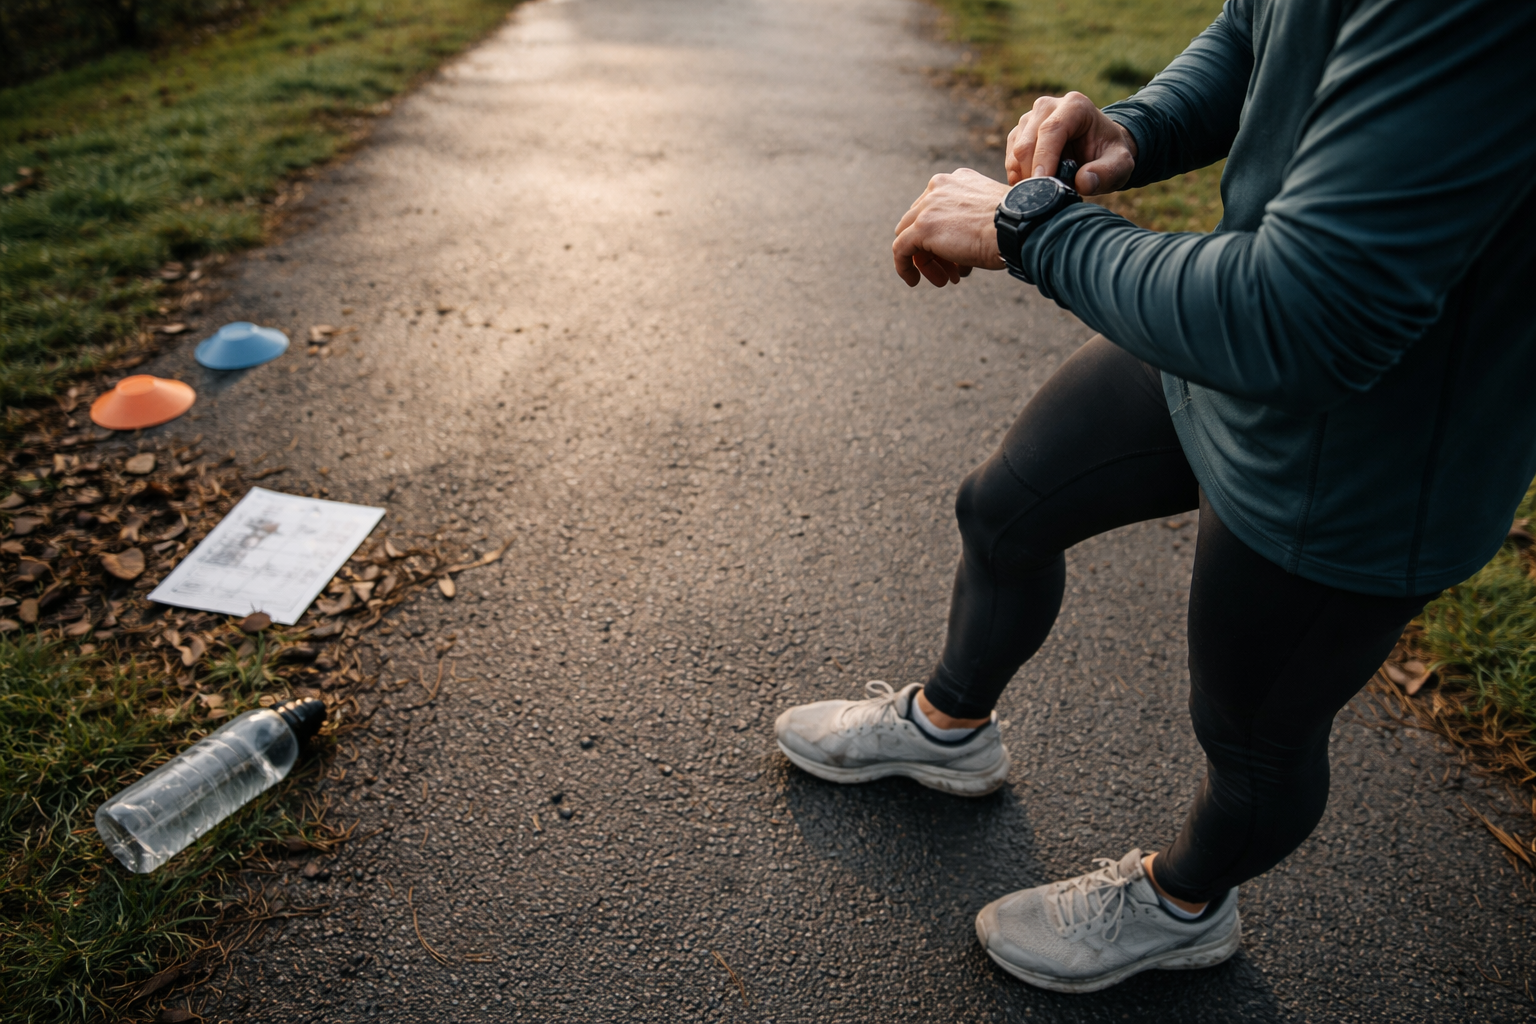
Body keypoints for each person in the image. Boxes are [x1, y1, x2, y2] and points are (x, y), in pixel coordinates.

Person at [773, 0, 1536, 994]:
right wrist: (1142, 127)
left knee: (1252, 739)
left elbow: (1309, 320)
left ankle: (1184, 903)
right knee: (1004, 509)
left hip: (1365, 450)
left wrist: (1031, 227)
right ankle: (947, 727)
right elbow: (1261, 29)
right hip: (1222, 342)